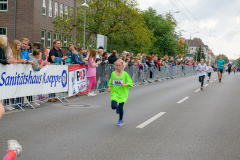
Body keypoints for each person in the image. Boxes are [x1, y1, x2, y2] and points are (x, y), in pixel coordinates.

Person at [107, 59, 133, 126]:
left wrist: (125, 84)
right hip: (114, 92)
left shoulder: (125, 74)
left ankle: (120, 120)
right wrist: (109, 87)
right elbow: (110, 81)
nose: (118, 67)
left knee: (121, 108)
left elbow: (130, 83)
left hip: (122, 93)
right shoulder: (113, 73)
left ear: (122, 66)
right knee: (113, 106)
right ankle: (117, 107)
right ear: (115, 66)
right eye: (117, 65)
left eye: (119, 65)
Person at [21, 38, 39, 106]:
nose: (24, 45)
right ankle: (20, 103)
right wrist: (29, 61)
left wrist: (31, 62)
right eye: (23, 43)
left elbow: (27, 58)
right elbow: (21, 59)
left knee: (27, 86)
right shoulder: (19, 50)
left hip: (25, 71)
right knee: (20, 87)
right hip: (19, 71)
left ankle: (30, 101)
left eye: (25, 44)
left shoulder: (26, 51)